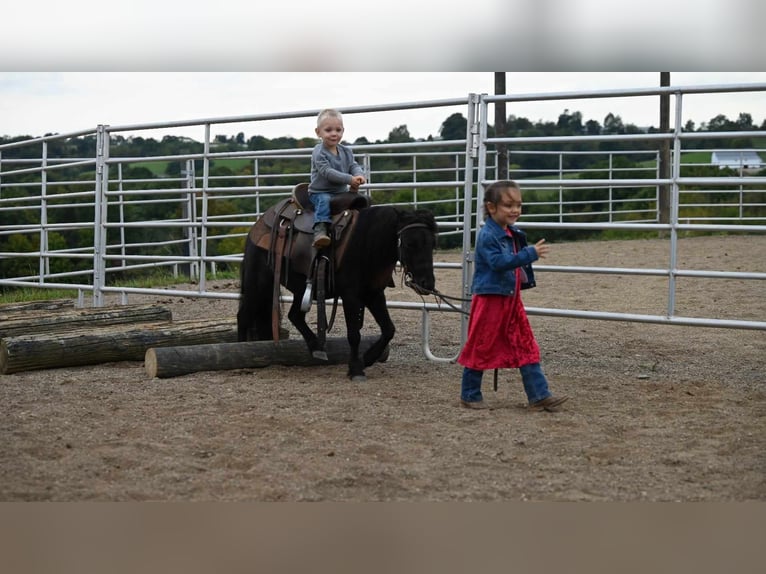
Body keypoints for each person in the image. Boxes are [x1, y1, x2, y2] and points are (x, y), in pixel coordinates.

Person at [457, 180, 569, 411]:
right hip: (491, 300)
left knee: (525, 343)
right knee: (481, 344)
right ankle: (469, 394)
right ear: (491, 207)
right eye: (509, 205)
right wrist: (529, 254)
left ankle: (539, 395)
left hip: (509, 299)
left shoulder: (508, 232)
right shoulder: (489, 236)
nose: (515, 210)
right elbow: (498, 263)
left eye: (518, 204)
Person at [308, 109, 366, 248]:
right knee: (324, 201)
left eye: (338, 130)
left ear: (343, 131)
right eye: (328, 130)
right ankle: (320, 230)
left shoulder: (346, 151)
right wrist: (349, 179)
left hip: (340, 192)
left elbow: (353, 165)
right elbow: (327, 172)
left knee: (360, 201)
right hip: (320, 191)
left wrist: (359, 175)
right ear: (318, 132)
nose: (334, 134)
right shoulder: (319, 152)